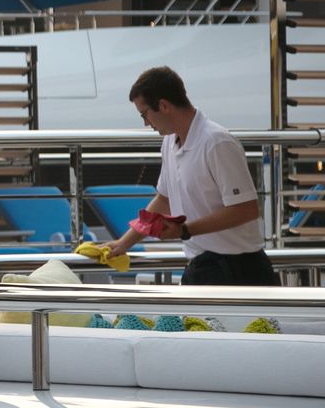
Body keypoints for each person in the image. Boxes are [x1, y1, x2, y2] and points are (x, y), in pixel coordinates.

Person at [102, 66, 274, 286]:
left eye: (144, 114)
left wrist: (185, 230)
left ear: (163, 106)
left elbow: (246, 209)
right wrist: (123, 243)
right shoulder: (169, 142)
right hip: (201, 266)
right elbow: (163, 199)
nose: (145, 122)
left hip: (239, 269)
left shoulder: (217, 142)